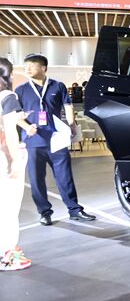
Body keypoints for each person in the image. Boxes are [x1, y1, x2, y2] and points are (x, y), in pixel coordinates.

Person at [15, 54, 96, 225]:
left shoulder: (57, 86)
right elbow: (16, 116)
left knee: (65, 177)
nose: (27, 69)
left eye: (31, 65)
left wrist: (72, 124)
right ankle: (44, 212)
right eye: (26, 66)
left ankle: (74, 210)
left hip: (57, 139)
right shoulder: (21, 90)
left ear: (43, 68)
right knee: (37, 180)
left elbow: (68, 106)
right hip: (33, 141)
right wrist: (27, 127)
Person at [0, 57, 32, 271]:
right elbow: (10, 132)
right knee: (8, 207)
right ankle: (8, 255)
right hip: (3, 155)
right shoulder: (7, 96)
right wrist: (16, 160)